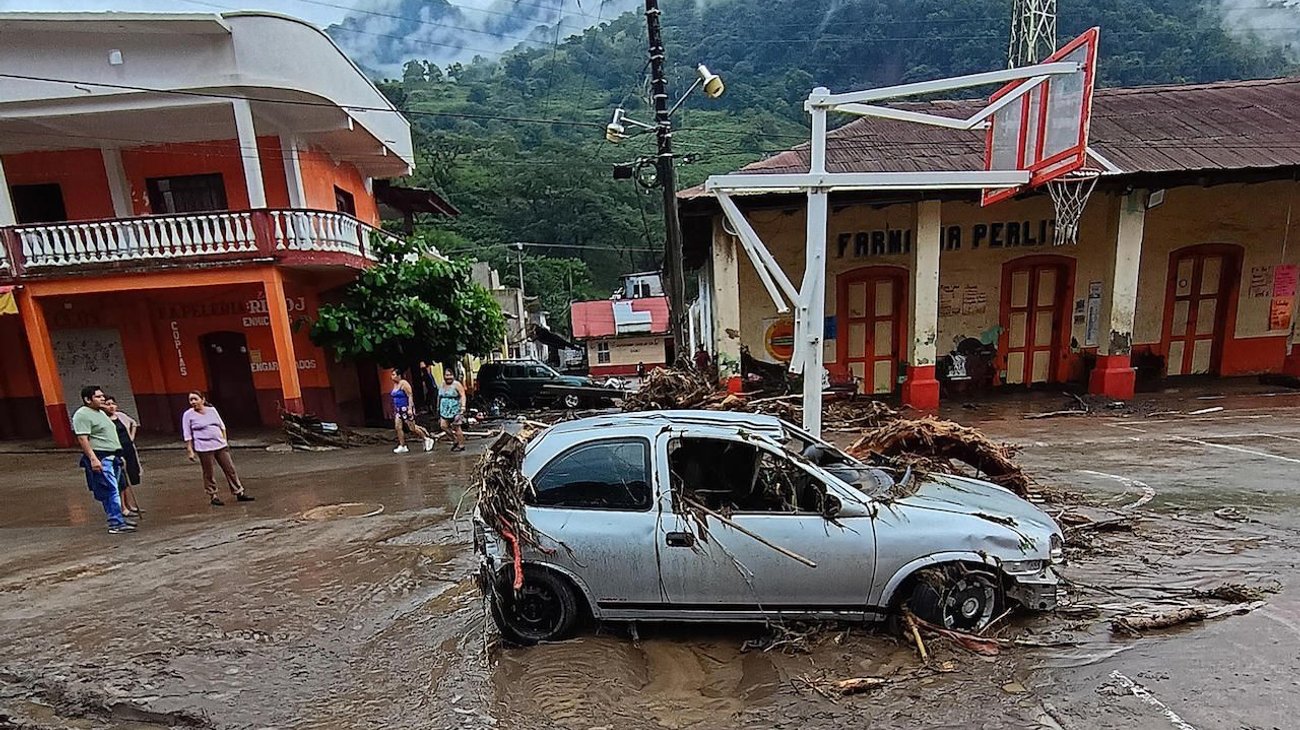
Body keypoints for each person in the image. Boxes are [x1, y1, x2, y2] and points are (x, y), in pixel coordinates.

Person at [74, 385, 134, 534]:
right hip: (102, 457)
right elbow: (83, 438)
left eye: (102, 396)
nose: (102, 399)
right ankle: (116, 523)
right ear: (88, 399)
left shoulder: (100, 412)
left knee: (115, 488)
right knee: (111, 490)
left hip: (113, 455)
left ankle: (117, 519)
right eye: (98, 397)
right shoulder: (82, 415)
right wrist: (93, 459)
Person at [182, 391, 255, 506]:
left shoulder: (212, 411)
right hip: (203, 448)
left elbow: (222, 426)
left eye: (195, 399)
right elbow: (187, 434)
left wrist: (224, 441)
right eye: (191, 400)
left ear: (203, 400)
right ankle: (213, 495)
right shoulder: (188, 415)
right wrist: (190, 450)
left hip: (220, 445)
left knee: (230, 469)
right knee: (208, 472)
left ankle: (239, 492)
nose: (193, 402)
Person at [104, 396, 143, 518]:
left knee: (129, 478)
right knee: (121, 480)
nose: (111, 406)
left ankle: (130, 505)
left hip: (128, 449)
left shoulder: (120, 416)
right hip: (117, 451)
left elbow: (133, 423)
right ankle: (123, 507)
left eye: (112, 403)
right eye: (107, 404)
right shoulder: (104, 420)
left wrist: (131, 437)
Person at [390, 369, 435, 454]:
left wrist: (410, 408)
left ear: (399, 375)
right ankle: (402, 445)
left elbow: (410, 396)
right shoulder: (395, 385)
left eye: (393, 374)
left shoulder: (404, 383)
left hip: (405, 408)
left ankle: (426, 438)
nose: (392, 377)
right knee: (398, 427)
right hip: (398, 409)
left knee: (412, 428)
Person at [438, 368, 468, 453]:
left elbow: (463, 395)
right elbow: (439, 396)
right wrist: (437, 408)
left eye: (450, 375)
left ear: (453, 376)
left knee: (457, 427)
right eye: (447, 375)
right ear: (444, 376)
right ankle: (454, 440)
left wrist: (463, 407)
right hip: (444, 410)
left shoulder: (457, 385)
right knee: (443, 426)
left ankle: (461, 445)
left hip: (455, 409)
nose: (448, 377)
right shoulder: (442, 385)